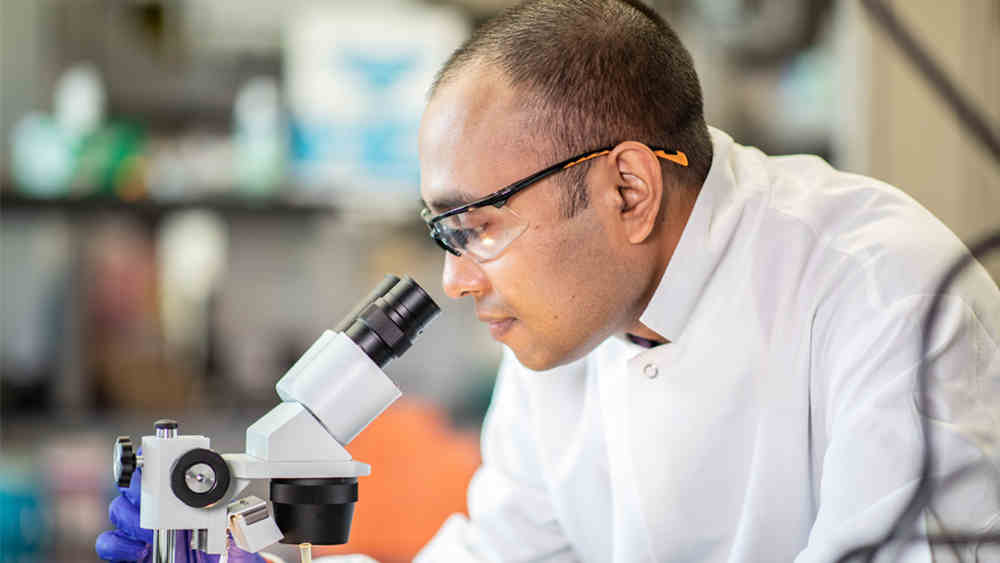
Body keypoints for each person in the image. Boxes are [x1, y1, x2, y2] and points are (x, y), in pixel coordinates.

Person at [99, 1, 1000, 562]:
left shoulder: (886, 297)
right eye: (441, 234)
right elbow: (504, 549)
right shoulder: (568, 328)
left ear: (628, 188)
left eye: (478, 226)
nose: (453, 279)